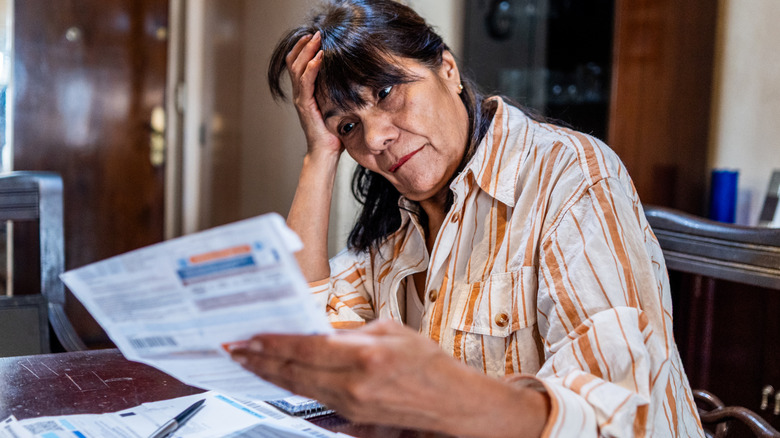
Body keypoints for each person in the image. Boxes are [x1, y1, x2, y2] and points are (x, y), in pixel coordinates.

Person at [230, 1, 705, 436]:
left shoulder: (568, 174)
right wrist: (320, 153)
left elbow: (615, 410)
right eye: (348, 125)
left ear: (449, 69)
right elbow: (302, 335)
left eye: (387, 91)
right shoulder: (396, 225)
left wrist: (446, 395)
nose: (373, 139)